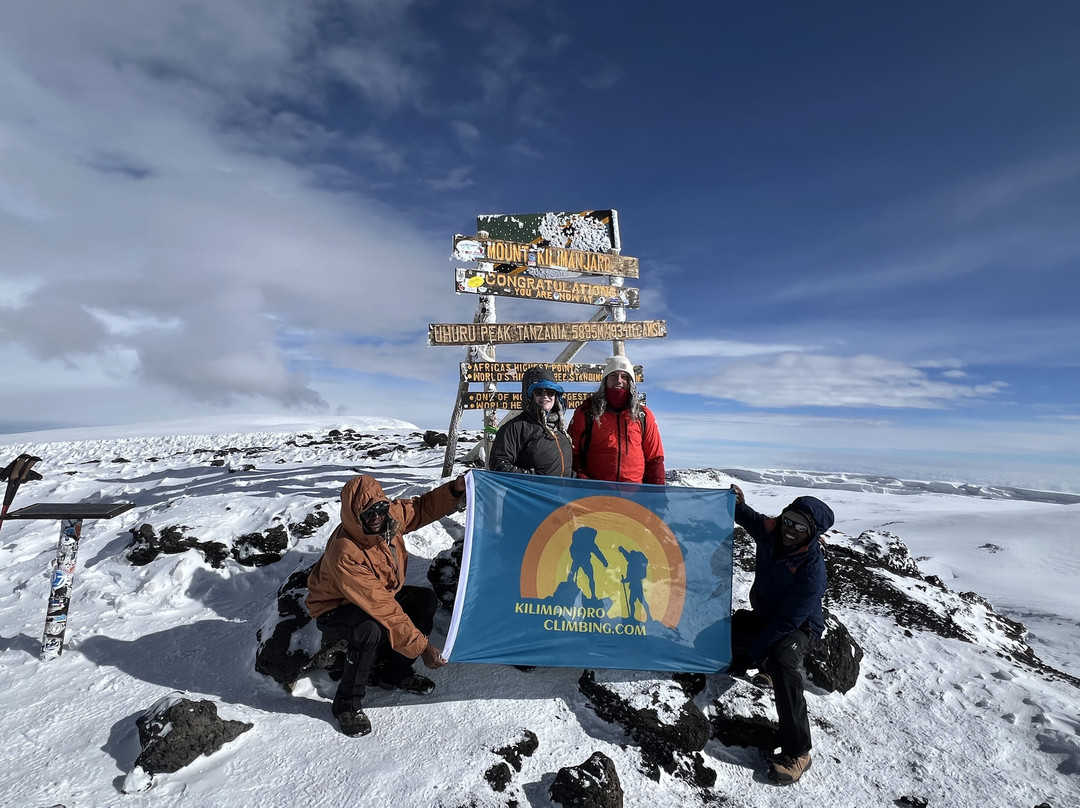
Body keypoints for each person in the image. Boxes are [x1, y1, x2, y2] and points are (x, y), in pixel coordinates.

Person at [305, 473, 465, 736]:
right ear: (356, 518)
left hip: (378, 595)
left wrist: (454, 490)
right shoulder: (346, 553)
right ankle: (347, 705)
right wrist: (422, 647)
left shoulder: (389, 519)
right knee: (369, 630)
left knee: (424, 600)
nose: (377, 517)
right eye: (369, 514)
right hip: (334, 607)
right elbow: (382, 609)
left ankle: (394, 674)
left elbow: (422, 508)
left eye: (380, 508)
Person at [727, 483, 834, 785]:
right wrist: (737, 502)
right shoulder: (771, 531)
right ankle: (765, 665)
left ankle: (799, 752)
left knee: (782, 658)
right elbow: (746, 516)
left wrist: (753, 654)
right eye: (788, 519)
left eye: (800, 526)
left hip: (799, 628)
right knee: (724, 635)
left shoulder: (812, 571)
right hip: (764, 618)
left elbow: (787, 622)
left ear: (812, 534)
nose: (790, 529)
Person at [568, 354, 665, 484]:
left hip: (635, 494)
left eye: (624, 376)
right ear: (605, 381)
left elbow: (655, 458)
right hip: (595, 494)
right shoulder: (586, 412)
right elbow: (572, 452)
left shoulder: (643, 415)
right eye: (613, 376)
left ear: (631, 383)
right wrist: (582, 479)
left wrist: (658, 494)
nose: (619, 380)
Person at [489, 366, 574, 477]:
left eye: (550, 392)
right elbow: (498, 464)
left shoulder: (561, 429)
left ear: (556, 396)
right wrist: (531, 478)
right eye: (538, 392)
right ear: (530, 396)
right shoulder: (516, 428)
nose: (545, 396)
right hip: (529, 493)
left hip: (561, 493)